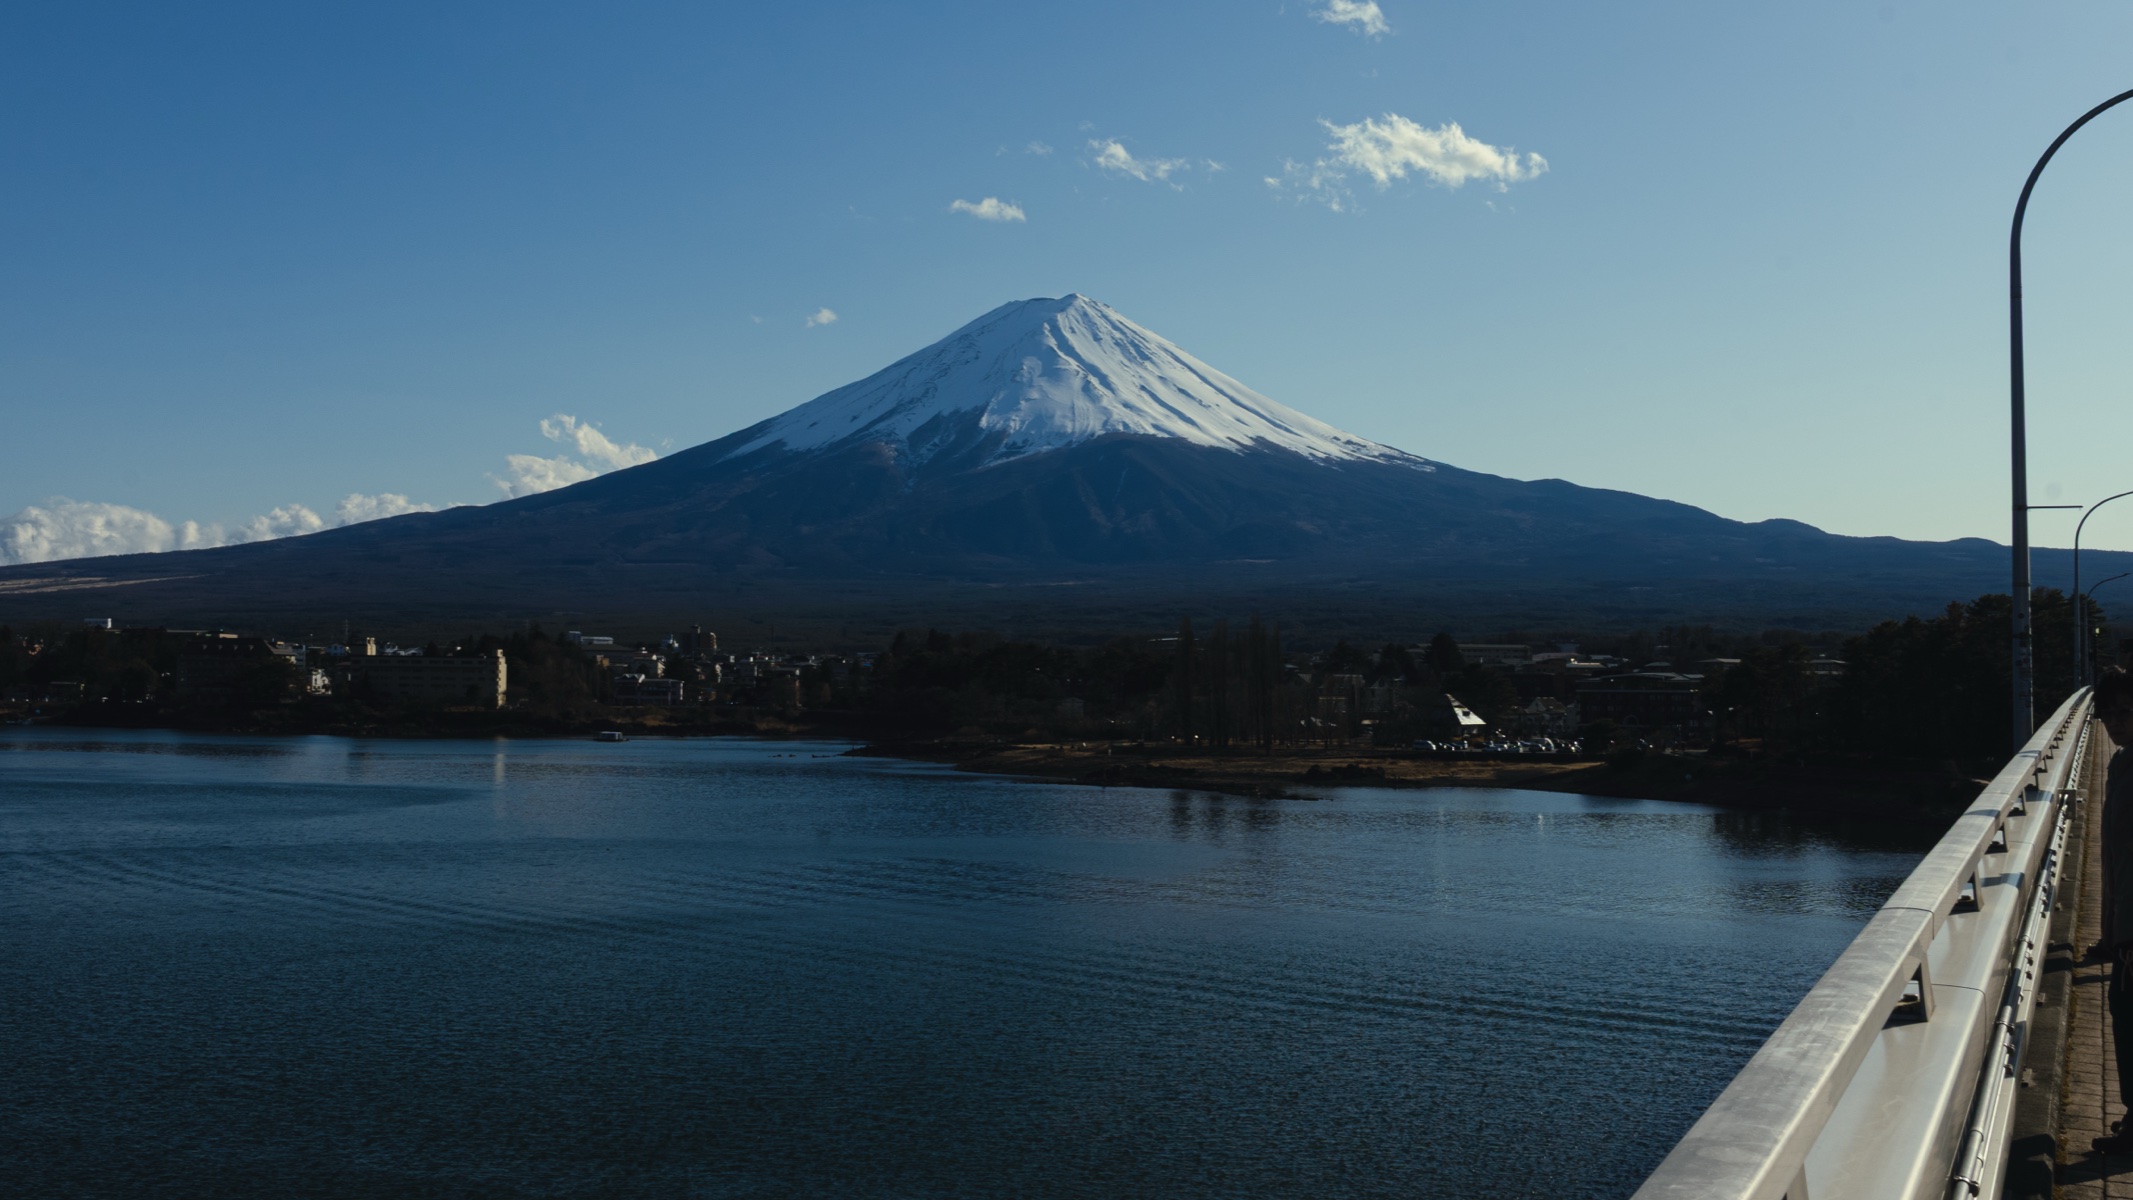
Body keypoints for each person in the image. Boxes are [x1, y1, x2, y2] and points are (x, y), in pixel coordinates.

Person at [2094, 667, 2133, 1155]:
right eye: (2107, 713)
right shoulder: (2121, 764)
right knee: (2122, 1014)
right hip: (2123, 920)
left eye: (2125, 711)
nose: (2115, 722)